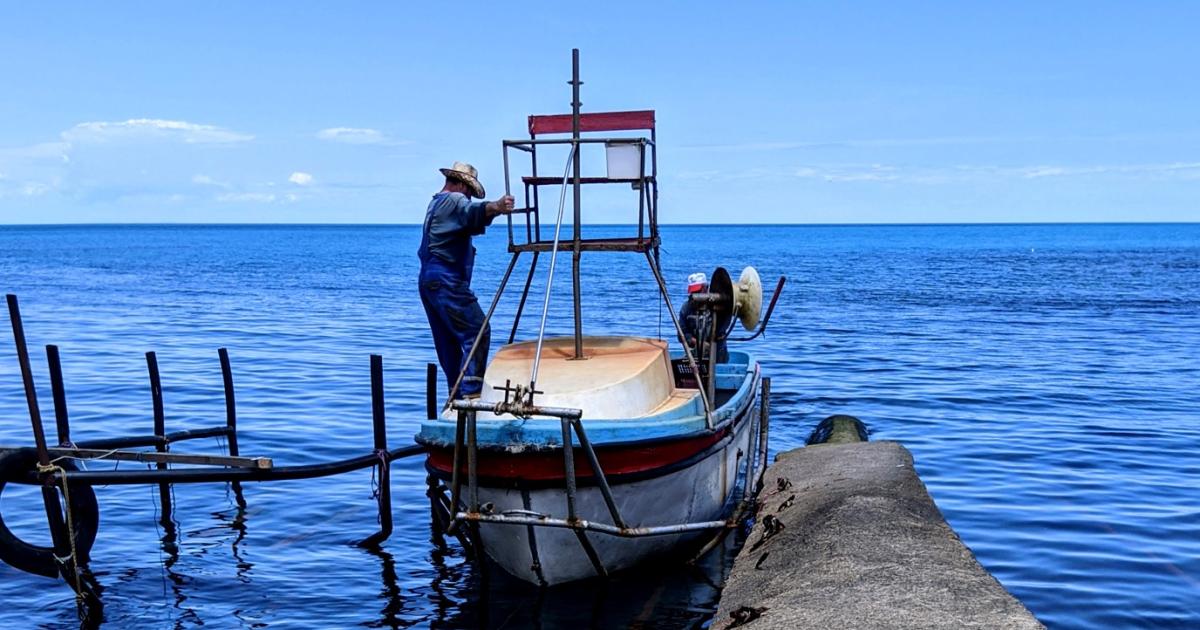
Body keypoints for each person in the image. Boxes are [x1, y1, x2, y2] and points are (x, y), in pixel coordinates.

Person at [417, 161, 514, 398]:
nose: (469, 196)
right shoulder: (455, 200)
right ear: (460, 184)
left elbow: (468, 220)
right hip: (446, 279)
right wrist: (498, 207)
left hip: (429, 280)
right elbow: (473, 212)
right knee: (478, 331)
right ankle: (471, 394)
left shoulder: (435, 203)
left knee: (447, 340)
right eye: (469, 190)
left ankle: (456, 393)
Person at [679, 271, 729, 364]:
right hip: (696, 355)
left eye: (698, 291)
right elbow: (681, 333)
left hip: (718, 353)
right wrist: (697, 342)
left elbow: (725, 323)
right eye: (692, 292)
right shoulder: (686, 308)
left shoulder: (717, 306)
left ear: (706, 288)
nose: (694, 295)